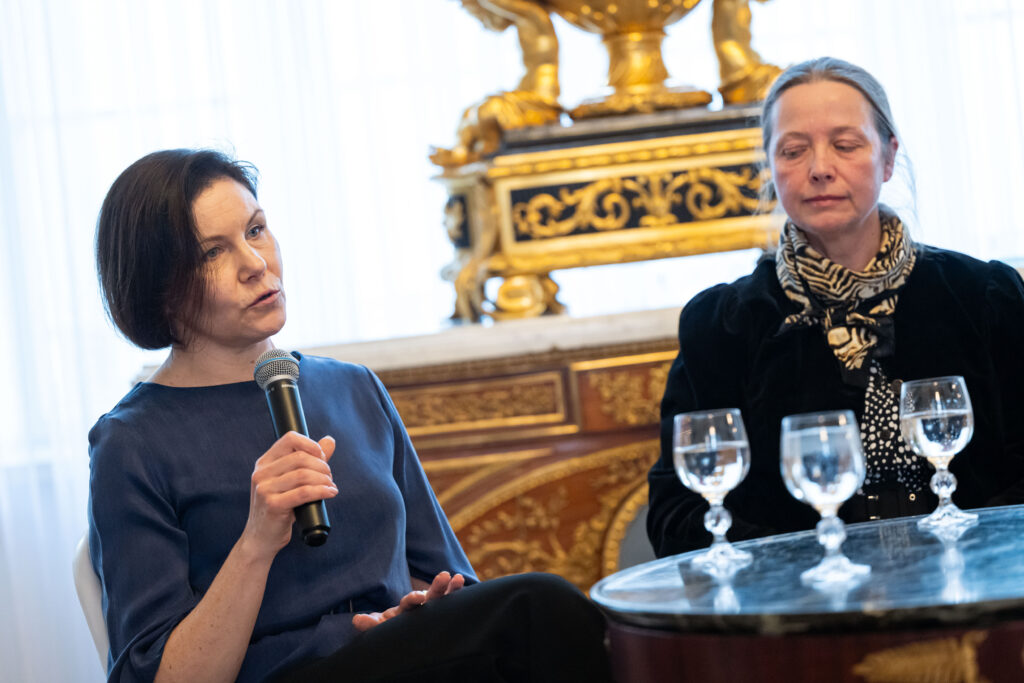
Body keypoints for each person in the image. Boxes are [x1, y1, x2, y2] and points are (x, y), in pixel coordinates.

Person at [89, 148, 613, 682]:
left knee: (544, 624)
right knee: (539, 606)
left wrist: (420, 606)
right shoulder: (132, 441)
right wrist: (257, 541)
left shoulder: (353, 386)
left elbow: (444, 574)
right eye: (212, 253)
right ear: (159, 289)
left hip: (400, 660)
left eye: (256, 230)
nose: (255, 264)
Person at [647, 56, 1024, 558]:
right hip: (801, 597)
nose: (820, 168)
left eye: (845, 145)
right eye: (793, 150)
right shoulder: (721, 325)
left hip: (979, 581)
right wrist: (800, 569)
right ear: (770, 168)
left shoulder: (984, 295)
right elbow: (676, 515)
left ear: (888, 158)